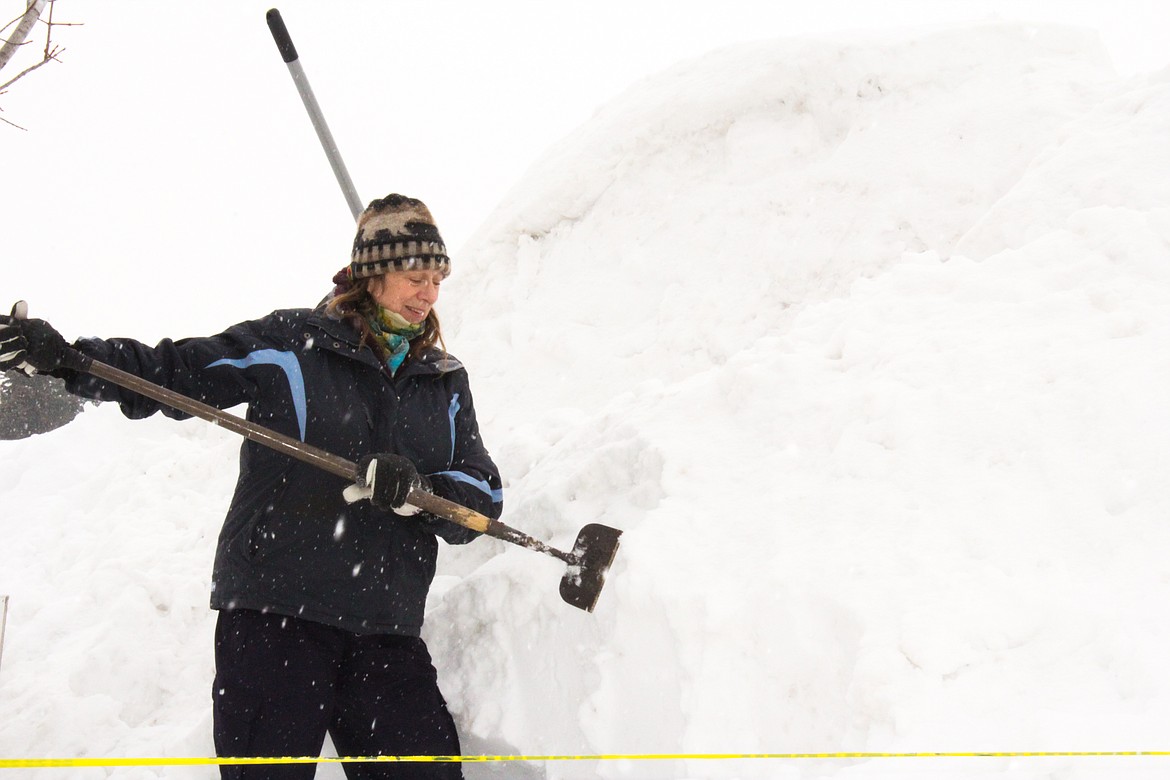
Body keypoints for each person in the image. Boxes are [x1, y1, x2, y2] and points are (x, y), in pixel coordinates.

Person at [0, 194, 503, 779]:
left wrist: (418, 489)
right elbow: (175, 373)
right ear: (373, 275)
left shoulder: (442, 380)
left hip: (385, 628)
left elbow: (483, 493)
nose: (429, 295)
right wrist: (66, 359)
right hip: (277, 615)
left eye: (438, 281)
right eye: (416, 278)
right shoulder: (293, 344)